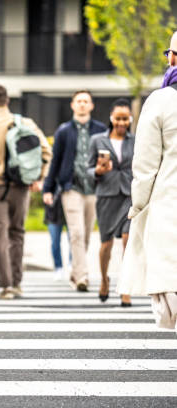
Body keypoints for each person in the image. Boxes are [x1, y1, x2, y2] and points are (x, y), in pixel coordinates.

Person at [119, 32, 177, 328]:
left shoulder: (161, 101)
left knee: (170, 275)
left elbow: (145, 163)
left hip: (169, 203)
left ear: (173, 58)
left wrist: (137, 204)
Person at [0, 85, 52, 299]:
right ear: (7, 101)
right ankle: (17, 282)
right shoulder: (25, 123)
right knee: (17, 233)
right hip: (20, 186)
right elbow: (46, 151)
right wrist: (39, 177)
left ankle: (5, 286)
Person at [43, 90, 107, 292]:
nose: (81, 104)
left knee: (86, 234)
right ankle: (81, 277)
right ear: (72, 105)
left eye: (85, 101)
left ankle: (76, 271)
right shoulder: (64, 131)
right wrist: (49, 188)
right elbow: (56, 161)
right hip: (71, 188)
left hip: (94, 188)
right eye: (78, 101)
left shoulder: (101, 130)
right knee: (76, 232)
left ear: (91, 105)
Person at [88, 98, 135, 307]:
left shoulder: (136, 140)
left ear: (130, 119)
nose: (122, 123)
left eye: (125, 119)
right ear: (111, 118)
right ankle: (105, 279)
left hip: (129, 195)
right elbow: (86, 168)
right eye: (118, 118)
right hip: (106, 196)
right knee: (106, 244)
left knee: (128, 240)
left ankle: (125, 288)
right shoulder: (97, 140)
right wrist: (97, 171)